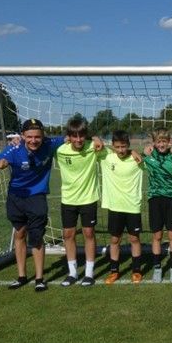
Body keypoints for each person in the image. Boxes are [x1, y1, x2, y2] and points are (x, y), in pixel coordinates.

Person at [0, 118, 63, 292]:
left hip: (37, 197)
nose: (34, 140)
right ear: (23, 136)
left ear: (43, 136)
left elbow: (74, 136)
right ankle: (21, 276)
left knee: (37, 237)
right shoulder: (14, 148)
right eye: (29, 137)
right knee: (19, 233)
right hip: (16, 197)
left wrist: (94, 138)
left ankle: (39, 279)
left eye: (37, 137)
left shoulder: (50, 144)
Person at [57, 118, 102, 287]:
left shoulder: (94, 147)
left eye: (81, 136)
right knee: (68, 234)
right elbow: (42, 145)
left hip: (88, 199)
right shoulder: (60, 150)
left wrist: (134, 152)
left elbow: (117, 151)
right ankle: (73, 273)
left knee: (88, 233)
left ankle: (89, 274)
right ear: (68, 137)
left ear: (86, 136)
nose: (78, 140)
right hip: (68, 199)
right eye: (74, 136)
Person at [98, 130, 144, 284]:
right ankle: (114, 271)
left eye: (124, 146)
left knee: (134, 238)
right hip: (115, 207)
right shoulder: (106, 157)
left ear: (128, 145)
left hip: (133, 206)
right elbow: (93, 141)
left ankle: (136, 270)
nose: (121, 150)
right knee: (114, 239)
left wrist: (134, 152)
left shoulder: (137, 159)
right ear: (113, 146)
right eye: (117, 147)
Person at [143, 128, 172, 283]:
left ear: (169, 142)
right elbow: (133, 155)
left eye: (164, 141)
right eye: (158, 142)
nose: (161, 144)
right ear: (154, 143)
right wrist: (143, 151)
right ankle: (157, 268)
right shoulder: (148, 157)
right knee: (157, 236)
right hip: (155, 199)